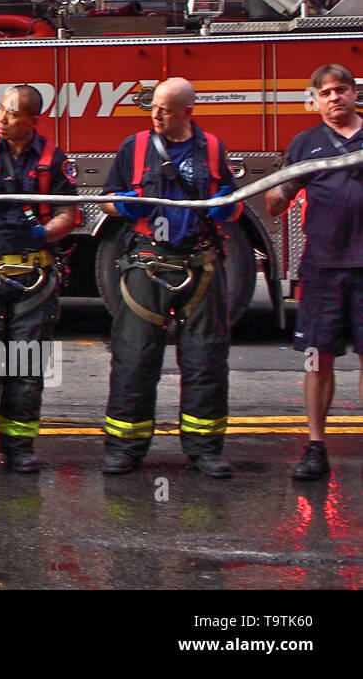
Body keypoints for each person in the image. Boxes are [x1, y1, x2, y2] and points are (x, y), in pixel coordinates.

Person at [101, 76, 241, 478]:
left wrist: (222, 207)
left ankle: (204, 450)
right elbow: (108, 201)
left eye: (164, 108)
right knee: (134, 357)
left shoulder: (212, 150)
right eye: (153, 107)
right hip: (147, 264)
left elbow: (233, 206)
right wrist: (121, 206)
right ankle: (124, 448)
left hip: (199, 265)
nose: (156, 115)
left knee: (205, 359)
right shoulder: (136, 147)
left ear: (188, 111)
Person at [0, 85, 77, 480]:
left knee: (26, 367)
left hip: (34, 274)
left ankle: (19, 448)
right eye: (2, 112)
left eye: (12, 114)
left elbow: (69, 213)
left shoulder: (54, 160)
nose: (2, 120)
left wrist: (45, 233)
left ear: (33, 120)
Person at [265, 63, 363, 482]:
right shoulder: (305, 144)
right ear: (315, 99)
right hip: (321, 269)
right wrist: (274, 189)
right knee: (315, 361)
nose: (333, 98)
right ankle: (315, 447)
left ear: (354, 93)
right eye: (324, 93)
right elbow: (276, 203)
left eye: (340, 90)